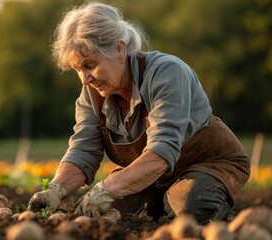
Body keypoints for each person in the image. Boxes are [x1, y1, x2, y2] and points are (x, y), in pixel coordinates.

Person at [27, 2, 250, 225]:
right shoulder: (91, 93)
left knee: (191, 209)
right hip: (153, 176)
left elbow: (162, 150)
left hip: (208, 163)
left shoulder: (167, 73)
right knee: (103, 214)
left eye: (90, 65)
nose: (85, 79)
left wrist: (107, 188)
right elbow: (83, 149)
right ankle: (161, 202)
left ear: (119, 48)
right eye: (78, 69)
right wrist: (56, 190)